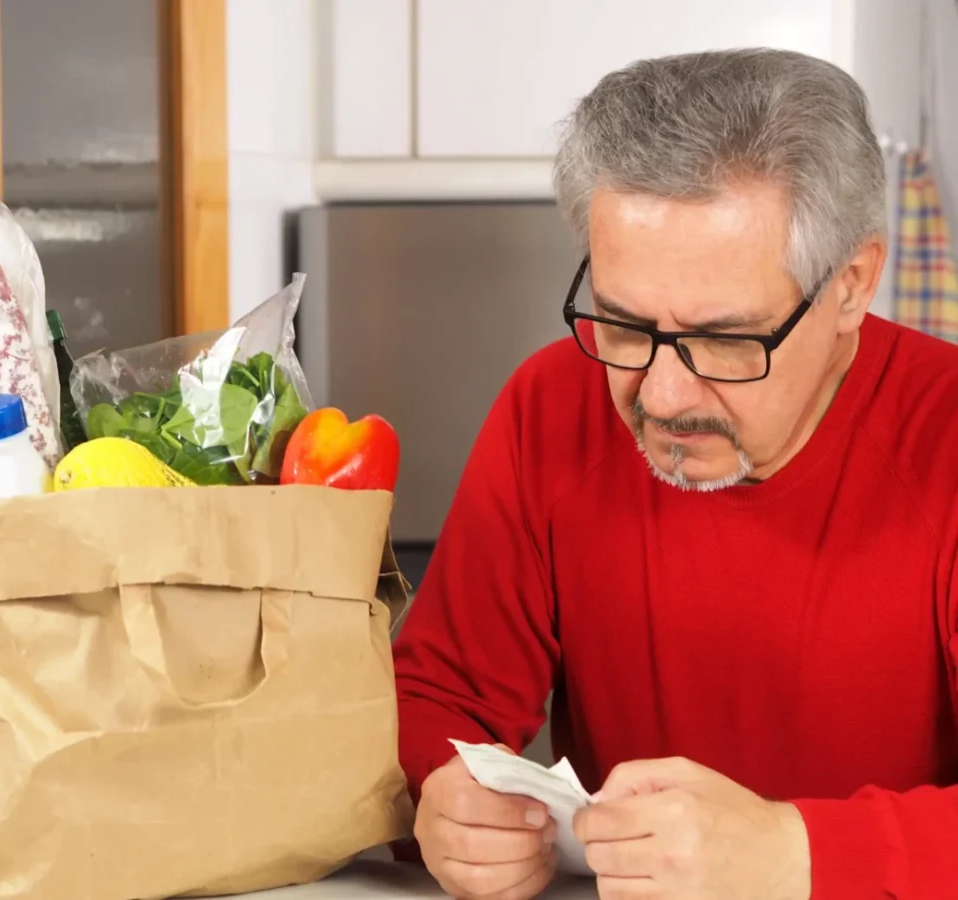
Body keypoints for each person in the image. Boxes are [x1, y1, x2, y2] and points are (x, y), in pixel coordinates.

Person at [392, 47, 958, 900]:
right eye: (623, 326)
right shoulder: (550, 406)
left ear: (851, 285)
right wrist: (443, 799)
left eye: (727, 341)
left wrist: (796, 851)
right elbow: (437, 698)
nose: (659, 394)